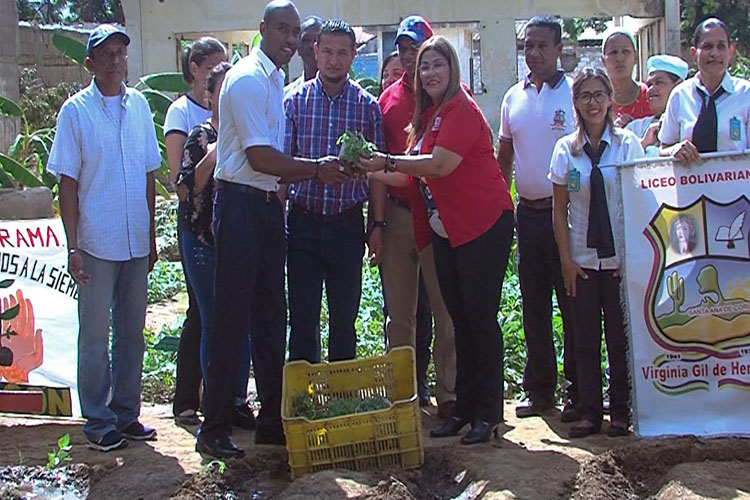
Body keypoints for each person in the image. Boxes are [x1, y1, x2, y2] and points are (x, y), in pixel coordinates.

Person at [195, 0, 348, 459]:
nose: (289, 38)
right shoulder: (245, 80)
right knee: (231, 318)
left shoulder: (275, 80)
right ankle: (214, 427)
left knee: (269, 317)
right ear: (263, 29)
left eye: (295, 31)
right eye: (282, 29)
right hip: (241, 204)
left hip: (265, 209)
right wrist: (317, 170)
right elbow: (261, 158)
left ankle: (270, 423)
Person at [360, 36, 515, 445]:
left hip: (483, 225)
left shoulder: (462, 109)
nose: (429, 72)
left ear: (453, 70)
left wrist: (385, 160)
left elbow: (438, 165)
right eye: (423, 66)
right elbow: (411, 174)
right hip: (447, 229)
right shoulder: (430, 117)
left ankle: (488, 413)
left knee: (480, 321)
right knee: (460, 319)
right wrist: (366, 167)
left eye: (437, 65)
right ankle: (463, 410)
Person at [48, 25, 161, 452]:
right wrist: (73, 245)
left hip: (134, 239)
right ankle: (97, 420)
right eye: (106, 53)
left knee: (132, 333)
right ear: (89, 62)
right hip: (96, 242)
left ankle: (126, 414)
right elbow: (68, 183)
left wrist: (151, 235)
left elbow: (150, 174)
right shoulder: (75, 112)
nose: (116, 60)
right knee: (94, 335)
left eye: (121, 52)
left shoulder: (139, 108)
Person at [549, 67, 644, 438]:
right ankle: (590, 411)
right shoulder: (565, 150)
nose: (593, 103)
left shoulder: (627, 146)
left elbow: (639, 200)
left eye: (599, 95)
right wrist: (566, 261)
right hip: (582, 260)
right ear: (575, 102)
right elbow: (559, 211)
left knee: (620, 339)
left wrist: (634, 256)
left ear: (610, 99)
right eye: (585, 96)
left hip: (620, 259)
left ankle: (620, 410)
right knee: (584, 338)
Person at [284, 19, 385, 363]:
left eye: (342, 53)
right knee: (302, 319)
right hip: (303, 224)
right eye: (327, 51)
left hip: (346, 225)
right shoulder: (294, 102)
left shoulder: (367, 106)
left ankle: (342, 398)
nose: (334, 60)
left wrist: (376, 225)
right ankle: (303, 401)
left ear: (353, 56)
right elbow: (283, 167)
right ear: (315, 51)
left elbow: (378, 175)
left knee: (345, 319)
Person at [497, 16, 578, 422]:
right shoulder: (513, 97)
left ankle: (580, 392)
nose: (534, 53)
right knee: (533, 306)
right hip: (527, 216)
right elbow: (504, 157)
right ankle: (540, 390)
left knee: (573, 304)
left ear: (559, 48)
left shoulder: (576, 94)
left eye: (542, 45)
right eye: (528, 45)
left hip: (568, 219)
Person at [377, 15, 457, 420]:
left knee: (445, 310)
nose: (411, 58)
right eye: (405, 50)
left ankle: (449, 395)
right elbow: (376, 171)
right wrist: (375, 224)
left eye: (418, 50)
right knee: (400, 314)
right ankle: (403, 397)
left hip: (438, 215)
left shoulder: (447, 101)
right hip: (397, 215)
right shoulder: (387, 101)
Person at [176, 62, 256, 432]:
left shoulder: (249, 134)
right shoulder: (200, 135)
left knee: (242, 324)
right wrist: (218, 147)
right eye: (220, 91)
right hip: (203, 243)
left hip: (237, 241)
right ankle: (214, 401)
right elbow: (185, 187)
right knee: (213, 322)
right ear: (210, 96)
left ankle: (237, 400)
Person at [163, 36, 228, 427]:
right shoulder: (183, 116)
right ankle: (190, 399)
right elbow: (182, 183)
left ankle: (218, 398)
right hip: (198, 228)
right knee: (202, 315)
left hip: (227, 232)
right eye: (213, 69)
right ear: (196, 72)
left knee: (216, 316)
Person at [660, 18, 750, 162]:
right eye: (707, 46)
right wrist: (674, 150)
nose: (714, 53)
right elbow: (664, 148)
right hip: (690, 182)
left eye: (721, 46)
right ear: (693, 53)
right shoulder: (680, 95)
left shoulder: (746, 94)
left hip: (736, 183)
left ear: (730, 51)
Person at [625, 55, 688, 154]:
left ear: (678, 86)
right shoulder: (634, 129)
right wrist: (643, 144)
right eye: (649, 85)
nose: (651, 89)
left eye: (659, 82)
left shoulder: (689, 126)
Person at [601, 29, 651, 126]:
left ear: (635, 57)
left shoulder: (648, 95)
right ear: (603, 60)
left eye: (625, 51)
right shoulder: (598, 99)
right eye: (613, 52)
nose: (619, 58)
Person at [284, 15, 323, 98]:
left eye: (317, 41)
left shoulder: (349, 95)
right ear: (298, 48)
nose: (312, 46)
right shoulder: (287, 96)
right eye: (306, 40)